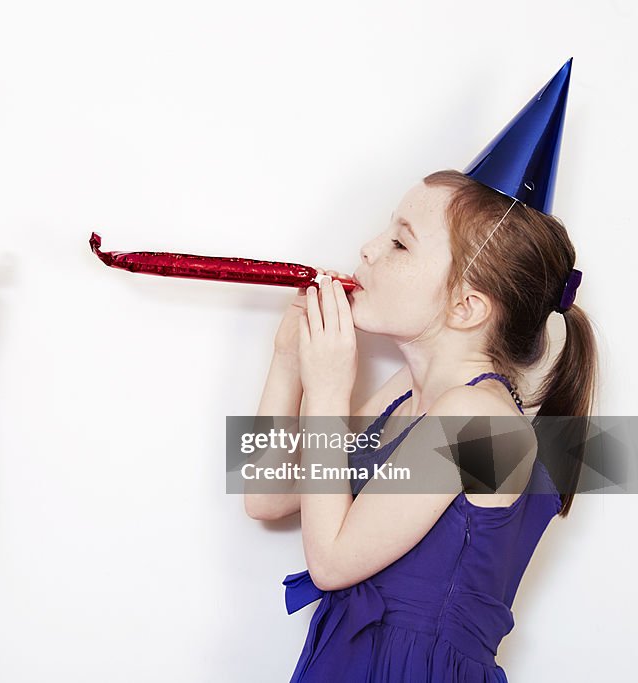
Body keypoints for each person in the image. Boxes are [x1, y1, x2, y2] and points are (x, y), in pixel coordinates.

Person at [244, 60, 596, 682]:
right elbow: (265, 496)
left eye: (401, 242)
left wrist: (328, 389)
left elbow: (330, 561)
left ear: (466, 305)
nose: (368, 249)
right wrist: (288, 363)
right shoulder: (408, 395)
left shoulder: (481, 421)